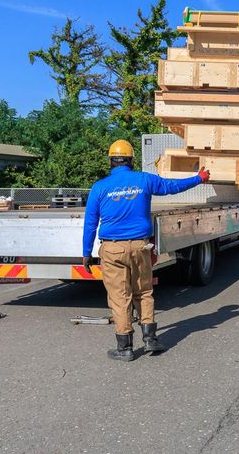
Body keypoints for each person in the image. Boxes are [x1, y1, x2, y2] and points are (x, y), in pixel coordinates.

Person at [82, 140, 211, 361]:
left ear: (111, 161)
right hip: (141, 246)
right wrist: (198, 179)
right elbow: (172, 186)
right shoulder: (144, 180)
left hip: (112, 248)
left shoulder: (100, 187)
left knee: (119, 298)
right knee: (143, 292)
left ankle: (125, 349)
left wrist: (86, 252)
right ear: (131, 160)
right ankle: (150, 339)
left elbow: (90, 222)